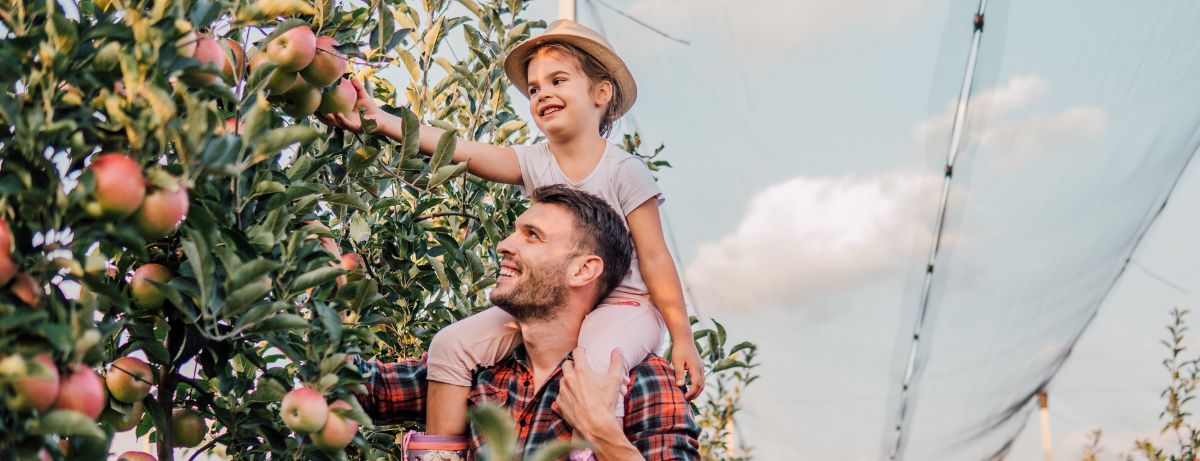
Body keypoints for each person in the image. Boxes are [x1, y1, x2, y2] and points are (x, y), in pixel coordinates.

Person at [319, 19, 705, 441]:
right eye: (534, 88)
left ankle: (589, 448)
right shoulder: (535, 160)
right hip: (557, 304)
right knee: (450, 345)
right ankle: (439, 453)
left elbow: (653, 256)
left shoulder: (625, 171)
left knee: (596, 361)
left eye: (558, 80)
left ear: (601, 92)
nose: (542, 94)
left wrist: (681, 337)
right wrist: (384, 121)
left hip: (625, 307)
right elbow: (461, 150)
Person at [355, 185, 700, 460]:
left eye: (532, 235)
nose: (504, 245)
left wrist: (603, 435)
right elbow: (361, 386)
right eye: (513, 232)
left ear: (583, 270)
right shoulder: (478, 371)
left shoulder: (639, 379)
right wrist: (320, 285)